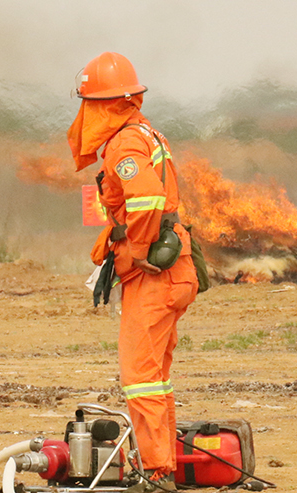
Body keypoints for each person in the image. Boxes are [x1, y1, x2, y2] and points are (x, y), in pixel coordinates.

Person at [69, 52, 199, 491]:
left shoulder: (125, 143)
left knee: (140, 377)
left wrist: (139, 248)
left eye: (88, 104)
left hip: (155, 274)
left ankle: (157, 471)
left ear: (103, 105)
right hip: (176, 270)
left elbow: (144, 199)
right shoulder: (147, 133)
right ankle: (163, 463)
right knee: (156, 377)